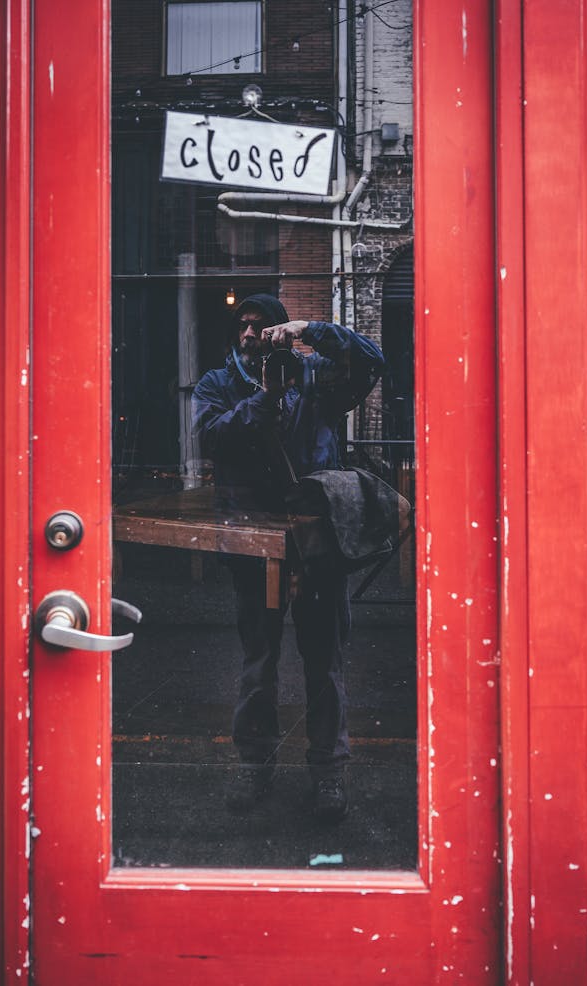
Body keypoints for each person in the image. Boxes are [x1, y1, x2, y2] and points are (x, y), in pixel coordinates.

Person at [191, 293, 384, 821]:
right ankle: (255, 767)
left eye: (262, 326)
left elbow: (372, 360)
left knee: (325, 662)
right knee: (259, 663)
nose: (250, 335)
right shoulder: (219, 385)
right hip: (253, 547)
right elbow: (210, 437)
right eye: (243, 327)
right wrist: (266, 399)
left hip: (317, 545)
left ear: (279, 333)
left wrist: (312, 329)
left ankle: (328, 772)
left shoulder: (315, 376)